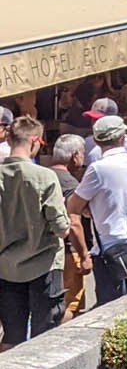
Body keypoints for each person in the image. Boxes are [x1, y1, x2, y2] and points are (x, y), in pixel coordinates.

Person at [0, 117, 79, 344]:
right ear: (35, 141)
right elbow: (63, 229)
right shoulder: (44, 177)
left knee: (11, 337)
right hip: (43, 267)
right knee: (44, 337)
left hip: (6, 269)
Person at [69, 117, 127, 305]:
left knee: (110, 307)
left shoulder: (98, 169)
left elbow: (73, 206)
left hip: (110, 247)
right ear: (123, 137)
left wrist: (89, 210)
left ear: (96, 141)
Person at [48, 134, 89, 318]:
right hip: (68, 251)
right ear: (74, 156)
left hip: (44, 250)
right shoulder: (71, 184)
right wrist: (84, 255)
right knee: (71, 307)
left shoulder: (43, 175)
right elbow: (74, 222)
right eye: (82, 153)